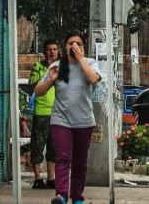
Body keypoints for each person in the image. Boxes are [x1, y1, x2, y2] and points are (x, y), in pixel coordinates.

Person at [34, 31, 102, 204]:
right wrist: (51, 80)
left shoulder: (90, 63)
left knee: (80, 161)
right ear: (64, 47)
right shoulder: (56, 66)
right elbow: (38, 91)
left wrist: (80, 59)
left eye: (78, 43)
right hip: (61, 120)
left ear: (83, 47)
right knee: (63, 157)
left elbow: (93, 79)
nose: (74, 46)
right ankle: (61, 195)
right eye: (70, 43)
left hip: (84, 121)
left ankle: (77, 197)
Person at [28, 39, 59, 189]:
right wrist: (47, 73)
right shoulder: (38, 67)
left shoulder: (61, 68)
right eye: (49, 49)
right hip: (41, 113)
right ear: (44, 52)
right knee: (37, 145)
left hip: (57, 113)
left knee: (53, 148)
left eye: (54, 49)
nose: (52, 52)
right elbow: (33, 84)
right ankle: (38, 178)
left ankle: (51, 178)